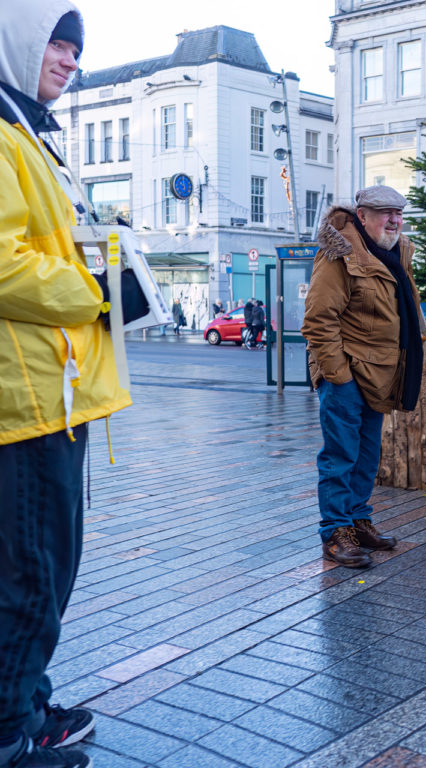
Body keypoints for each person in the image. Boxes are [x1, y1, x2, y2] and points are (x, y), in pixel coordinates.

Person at [0, 2, 133, 767]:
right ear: (16, 44)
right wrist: (100, 288)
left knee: (41, 572)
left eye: (76, 49)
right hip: (24, 403)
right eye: (56, 43)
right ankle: (4, 735)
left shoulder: (30, 132)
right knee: (30, 574)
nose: (70, 59)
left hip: (53, 394)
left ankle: (25, 703)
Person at [302, 186, 424, 568]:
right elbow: (319, 320)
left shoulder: (397, 252)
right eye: (384, 212)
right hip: (348, 376)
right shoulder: (338, 253)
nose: (394, 220)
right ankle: (336, 532)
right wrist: (339, 377)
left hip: (380, 375)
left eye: (398, 213)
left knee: (367, 458)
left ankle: (357, 523)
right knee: (340, 457)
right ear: (362, 215)